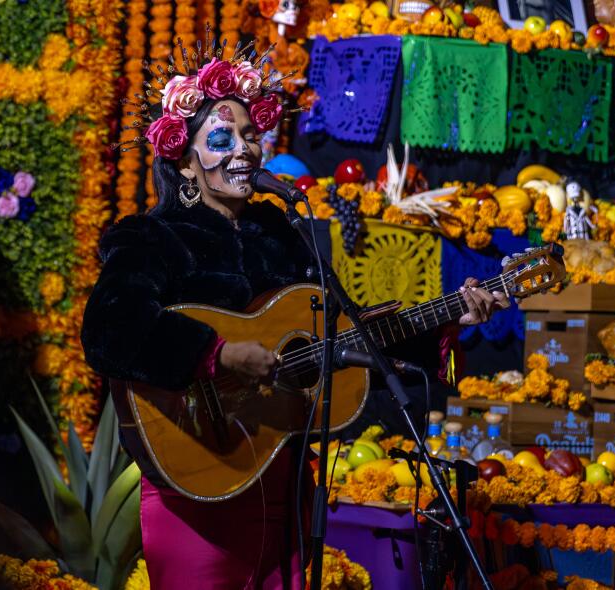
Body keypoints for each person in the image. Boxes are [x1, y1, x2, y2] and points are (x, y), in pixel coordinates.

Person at [81, 40, 508, 590]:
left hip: (284, 487)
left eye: (250, 136)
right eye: (221, 138)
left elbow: (343, 339)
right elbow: (109, 329)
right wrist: (219, 353)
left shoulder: (280, 235)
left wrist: (448, 323)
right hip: (198, 483)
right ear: (185, 164)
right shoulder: (150, 237)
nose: (244, 150)